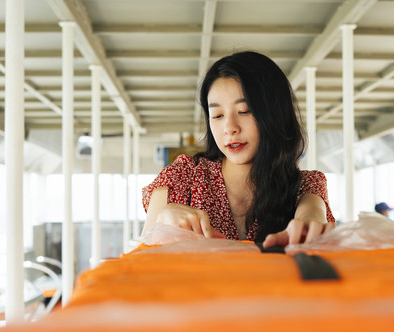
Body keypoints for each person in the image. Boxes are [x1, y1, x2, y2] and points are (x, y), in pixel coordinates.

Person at [141, 51, 335, 248]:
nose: (229, 128)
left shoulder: (304, 186)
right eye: (217, 115)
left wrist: (307, 228)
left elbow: (312, 216)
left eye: (244, 111)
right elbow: (140, 262)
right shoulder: (182, 179)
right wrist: (161, 220)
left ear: (276, 114)